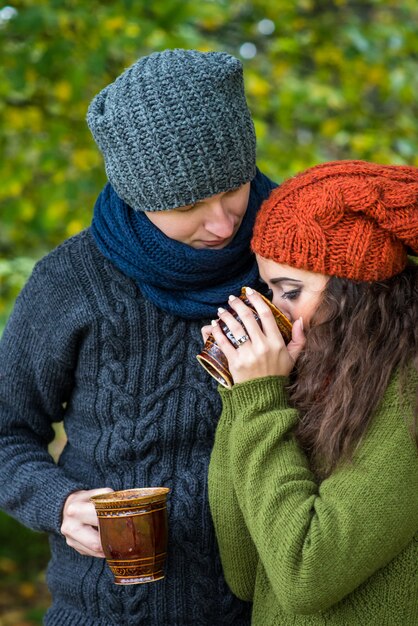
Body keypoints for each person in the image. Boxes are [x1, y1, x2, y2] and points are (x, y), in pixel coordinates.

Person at [0, 49, 277, 625]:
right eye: (187, 205)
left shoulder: (296, 261)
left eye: (234, 188)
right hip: (111, 612)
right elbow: (6, 430)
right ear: (136, 194)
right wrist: (61, 504)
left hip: (276, 609)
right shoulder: (72, 280)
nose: (223, 223)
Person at [206, 160, 418, 625]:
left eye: (291, 291)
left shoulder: (406, 392)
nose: (279, 315)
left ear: (356, 290)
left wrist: (258, 399)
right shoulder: (321, 376)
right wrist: (239, 395)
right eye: (269, 290)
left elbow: (303, 575)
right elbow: (246, 572)